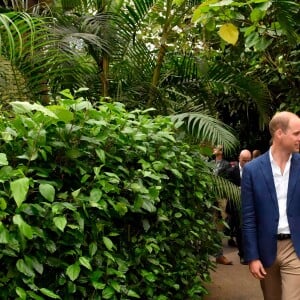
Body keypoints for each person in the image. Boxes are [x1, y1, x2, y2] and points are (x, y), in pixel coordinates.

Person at [241, 111, 300, 300]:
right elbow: (248, 217)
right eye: (297, 133)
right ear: (279, 134)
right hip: (266, 249)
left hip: (295, 247)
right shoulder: (252, 170)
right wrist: (252, 256)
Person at [225, 149, 251, 264]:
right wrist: (236, 190)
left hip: (249, 204)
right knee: (239, 229)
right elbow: (226, 187)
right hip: (236, 205)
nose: (246, 163)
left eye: (248, 160)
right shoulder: (232, 171)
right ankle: (242, 254)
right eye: (244, 160)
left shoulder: (253, 170)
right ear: (239, 159)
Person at [212, 145, 233, 265]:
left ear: (222, 151)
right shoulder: (210, 163)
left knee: (219, 226)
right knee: (211, 226)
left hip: (220, 198)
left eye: (217, 147)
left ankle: (219, 255)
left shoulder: (226, 165)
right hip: (210, 198)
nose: (214, 149)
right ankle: (216, 254)